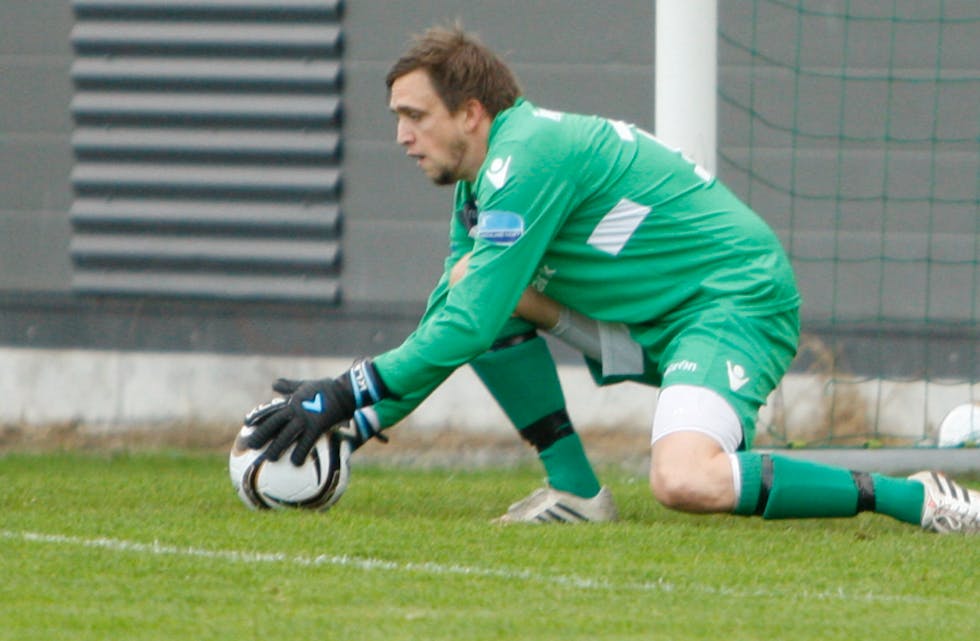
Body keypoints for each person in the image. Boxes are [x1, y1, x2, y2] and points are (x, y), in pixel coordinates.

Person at [244, 24, 980, 532]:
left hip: (730, 305)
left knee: (685, 480)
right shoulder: (482, 184)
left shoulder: (526, 157)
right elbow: (457, 315)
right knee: (476, 286)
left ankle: (914, 497)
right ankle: (577, 492)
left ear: (471, 112)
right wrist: (354, 422)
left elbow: (463, 326)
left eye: (414, 115)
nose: (402, 136)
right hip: (647, 322)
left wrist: (344, 391)